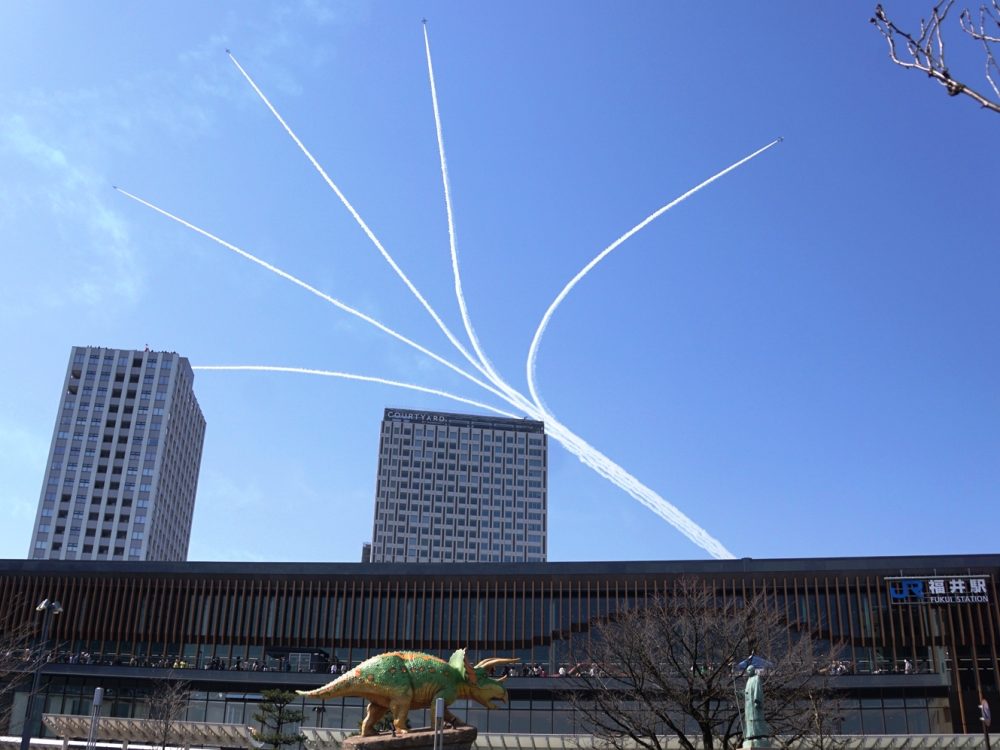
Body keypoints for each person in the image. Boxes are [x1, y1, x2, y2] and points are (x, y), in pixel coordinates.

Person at [743, 665, 769, 747]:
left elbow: (758, 689)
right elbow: (746, 693)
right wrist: (740, 694)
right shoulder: (749, 680)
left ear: (753, 670)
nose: (747, 672)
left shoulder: (756, 678)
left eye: (749, 670)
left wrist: (757, 700)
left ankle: (758, 735)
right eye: (747, 671)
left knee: (756, 720)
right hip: (748, 706)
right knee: (749, 720)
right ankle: (750, 735)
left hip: (754, 704)